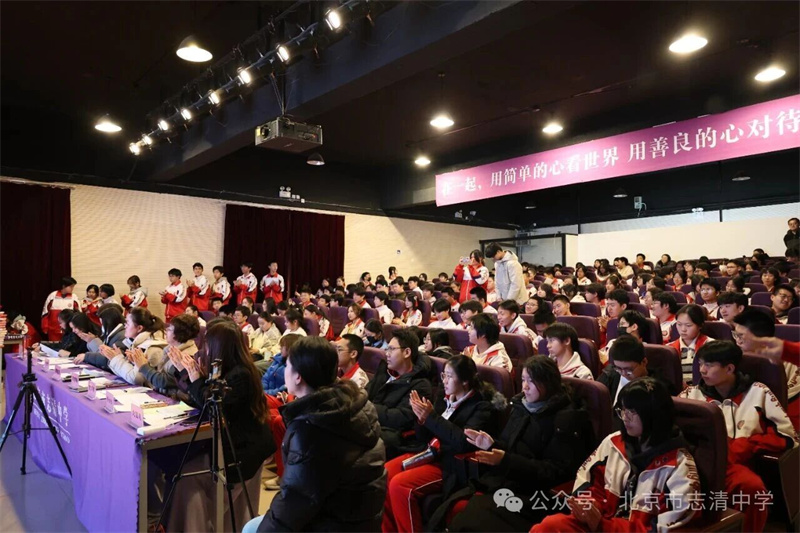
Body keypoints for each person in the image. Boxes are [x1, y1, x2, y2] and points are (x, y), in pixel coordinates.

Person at [244, 336, 386, 532]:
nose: (284, 370)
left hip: (336, 523)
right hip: (358, 518)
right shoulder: (356, 405)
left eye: (287, 365)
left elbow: (293, 503)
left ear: (298, 377)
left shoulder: (312, 429)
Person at [534, 378, 700, 533]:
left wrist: (604, 525)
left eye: (632, 411)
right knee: (549, 526)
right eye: (623, 410)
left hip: (626, 529)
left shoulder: (679, 464)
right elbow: (590, 481)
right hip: (602, 523)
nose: (625, 417)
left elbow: (667, 527)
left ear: (654, 415)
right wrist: (591, 506)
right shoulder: (614, 442)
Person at [448, 355, 593, 532]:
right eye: (523, 380)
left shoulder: (566, 419)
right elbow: (510, 449)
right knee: (454, 507)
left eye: (531, 381)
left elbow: (555, 472)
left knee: (470, 518)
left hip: (537, 494)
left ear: (548, 383)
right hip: (509, 482)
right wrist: (491, 445)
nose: (525, 387)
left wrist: (505, 460)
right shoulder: (521, 406)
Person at [680, 341, 798, 532]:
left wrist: (747, 445)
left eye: (709, 365)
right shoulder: (692, 394)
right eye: (700, 364)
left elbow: (787, 436)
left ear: (729, 368)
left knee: (754, 490)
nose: (702, 370)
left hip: (733, 467)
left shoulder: (758, 392)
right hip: (696, 463)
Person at [170, 319, 274, 532]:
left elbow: (213, 407)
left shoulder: (241, 375)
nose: (204, 349)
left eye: (207, 344)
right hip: (232, 443)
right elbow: (201, 398)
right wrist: (186, 373)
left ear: (219, 347)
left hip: (243, 450)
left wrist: (195, 378)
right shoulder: (223, 368)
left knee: (190, 480)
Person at [382, 355, 502, 533]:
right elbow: (423, 437)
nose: (444, 381)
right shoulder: (443, 396)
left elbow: (462, 442)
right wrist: (421, 419)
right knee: (385, 473)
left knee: (400, 485)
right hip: (429, 451)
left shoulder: (481, 406)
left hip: (450, 463)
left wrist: (431, 417)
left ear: (465, 381)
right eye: (443, 375)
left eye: (449, 376)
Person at [366, 329, 433, 459]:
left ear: (407, 352)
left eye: (391, 349)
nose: (387, 354)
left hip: (390, 438)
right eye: (387, 349)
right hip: (369, 423)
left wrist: (368, 408)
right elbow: (365, 394)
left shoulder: (420, 385)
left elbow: (402, 418)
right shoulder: (385, 372)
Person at [733, 310, 800, 431]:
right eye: (735, 335)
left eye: (741, 336)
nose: (737, 340)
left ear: (761, 338)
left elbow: (789, 400)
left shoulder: (789, 361)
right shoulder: (735, 359)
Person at [599, 335, 679, 416]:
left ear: (644, 362)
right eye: (619, 368)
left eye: (629, 370)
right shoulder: (610, 374)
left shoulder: (659, 387)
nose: (623, 374)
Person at [135, 314, 201, 401]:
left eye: (169, 329)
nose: (166, 330)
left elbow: (164, 382)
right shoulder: (171, 348)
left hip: (176, 401)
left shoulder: (187, 356)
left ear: (179, 334)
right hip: (165, 396)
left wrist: (143, 366)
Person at [104, 307, 168, 385]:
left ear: (139, 328)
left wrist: (116, 359)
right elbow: (125, 375)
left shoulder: (151, 348)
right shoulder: (136, 343)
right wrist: (120, 359)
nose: (125, 326)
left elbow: (136, 379)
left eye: (127, 323)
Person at [667, 304, 714, 385]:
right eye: (679, 324)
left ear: (700, 325)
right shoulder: (669, 349)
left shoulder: (711, 346)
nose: (683, 329)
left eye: (688, 325)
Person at [41, 276, 81, 341]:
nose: (72, 289)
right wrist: (45, 327)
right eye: (71, 287)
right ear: (64, 286)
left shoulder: (74, 297)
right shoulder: (52, 296)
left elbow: (78, 314)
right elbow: (45, 313)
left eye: (73, 287)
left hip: (68, 331)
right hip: (53, 330)